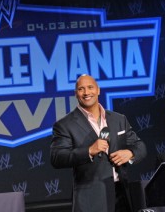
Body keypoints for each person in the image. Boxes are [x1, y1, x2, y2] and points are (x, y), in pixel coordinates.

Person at [50, 74, 147, 212]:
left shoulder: (118, 119)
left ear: (98, 90)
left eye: (90, 87)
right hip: (91, 199)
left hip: (122, 195)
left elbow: (140, 146)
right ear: (76, 94)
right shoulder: (65, 125)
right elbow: (57, 157)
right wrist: (88, 151)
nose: (86, 92)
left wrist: (130, 153)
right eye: (81, 89)